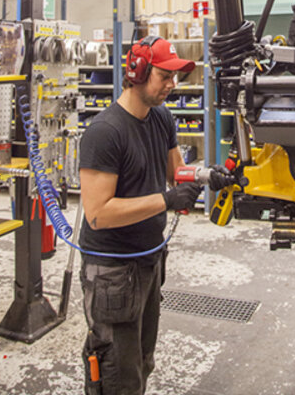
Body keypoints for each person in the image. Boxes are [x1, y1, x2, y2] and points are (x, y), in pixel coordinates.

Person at [77, 35, 230, 395]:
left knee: (142, 362)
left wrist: (207, 175)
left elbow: (176, 172)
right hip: (112, 270)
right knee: (117, 374)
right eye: (165, 76)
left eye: (175, 76)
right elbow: (98, 214)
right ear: (137, 72)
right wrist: (166, 200)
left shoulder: (161, 117)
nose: (172, 84)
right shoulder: (105, 133)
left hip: (149, 260)